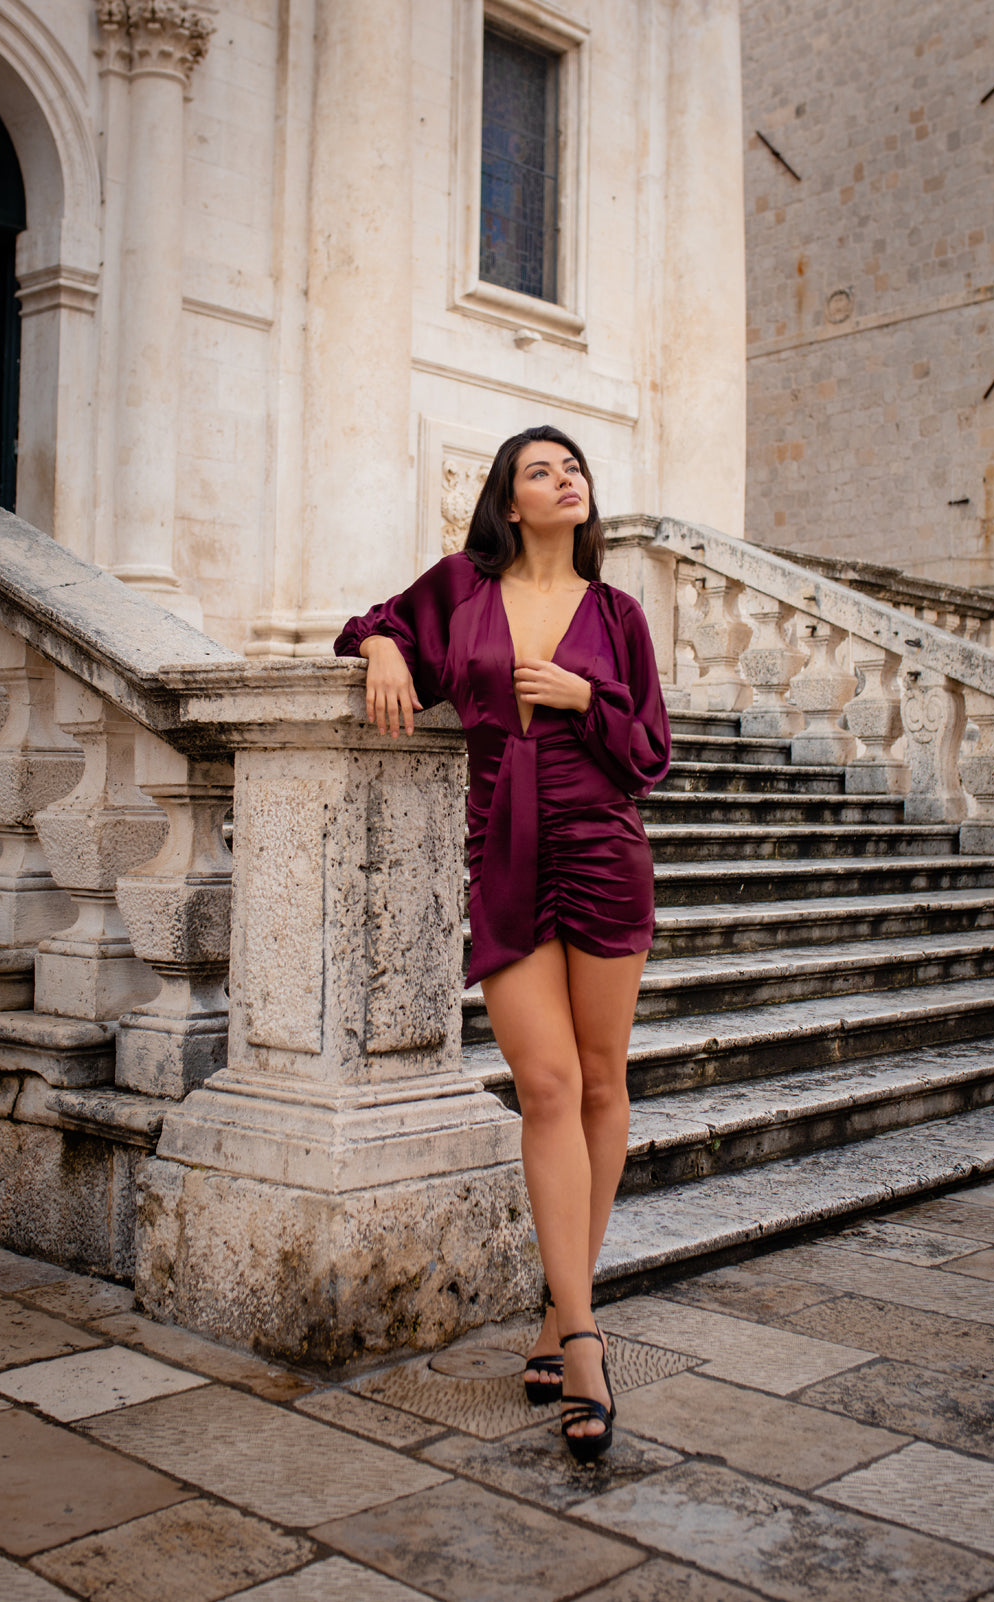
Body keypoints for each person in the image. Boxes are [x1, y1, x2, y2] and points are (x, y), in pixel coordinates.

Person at [334, 425, 671, 1462]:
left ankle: (561, 1319)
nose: (565, 480)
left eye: (575, 468)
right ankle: (586, 1341)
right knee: (548, 1087)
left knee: (603, 1082)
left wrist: (585, 697)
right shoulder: (462, 590)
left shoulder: (618, 615)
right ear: (508, 501)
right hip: (506, 857)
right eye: (541, 470)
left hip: (604, 849)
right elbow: (376, 623)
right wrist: (384, 649)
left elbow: (651, 752)